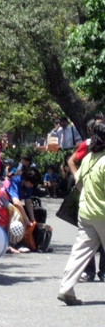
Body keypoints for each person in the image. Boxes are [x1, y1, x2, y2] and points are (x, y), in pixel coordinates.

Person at [58, 122, 105, 305]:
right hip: (102, 213)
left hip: (85, 212)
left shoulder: (88, 159)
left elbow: (78, 183)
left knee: (80, 252)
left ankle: (66, 288)